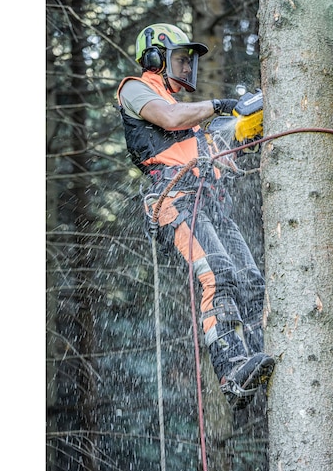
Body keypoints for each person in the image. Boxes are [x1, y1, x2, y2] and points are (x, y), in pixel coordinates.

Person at [116, 23, 274, 410]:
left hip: (210, 201)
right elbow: (169, 119)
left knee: (251, 281)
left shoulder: (196, 121)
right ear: (155, 57)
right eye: (181, 59)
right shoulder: (135, 89)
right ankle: (232, 371)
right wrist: (221, 106)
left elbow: (220, 144)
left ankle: (263, 357)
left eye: (190, 61)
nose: (187, 67)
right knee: (217, 273)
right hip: (174, 199)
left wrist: (242, 126)